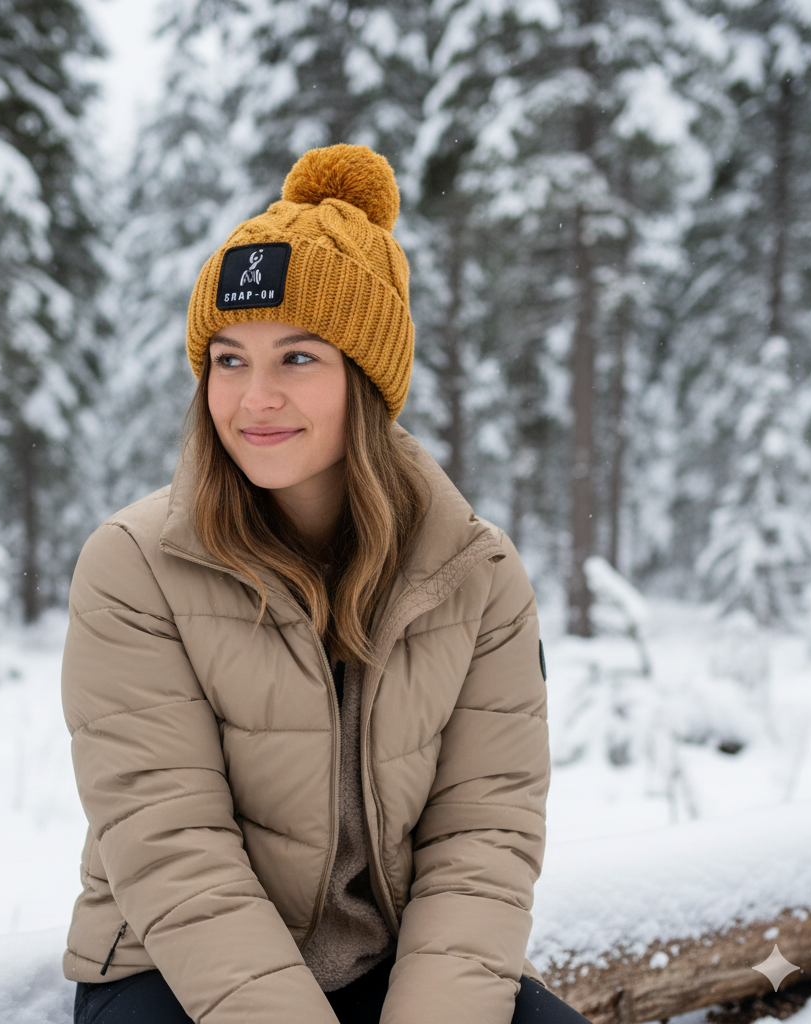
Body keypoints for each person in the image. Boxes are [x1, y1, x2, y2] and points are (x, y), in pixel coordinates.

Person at [61, 144, 589, 1024]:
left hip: (388, 969)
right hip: (175, 972)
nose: (253, 398)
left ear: (367, 378)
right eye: (228, 360)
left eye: (297, 358)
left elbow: (481, 838)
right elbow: (174, 850)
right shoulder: (133, 566)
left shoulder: (479, 575)